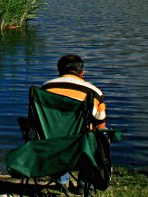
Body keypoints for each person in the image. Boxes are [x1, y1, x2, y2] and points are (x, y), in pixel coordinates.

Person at [42, 54, 106, 189]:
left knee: (54, 133)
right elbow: (100, 128)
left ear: (59, 71)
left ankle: (61, 178)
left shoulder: (45, 89)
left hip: (51, 146)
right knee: (101, 136)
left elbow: (35, 121)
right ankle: (85, 182)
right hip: (81, 150)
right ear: (82, 73)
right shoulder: (94, 92)